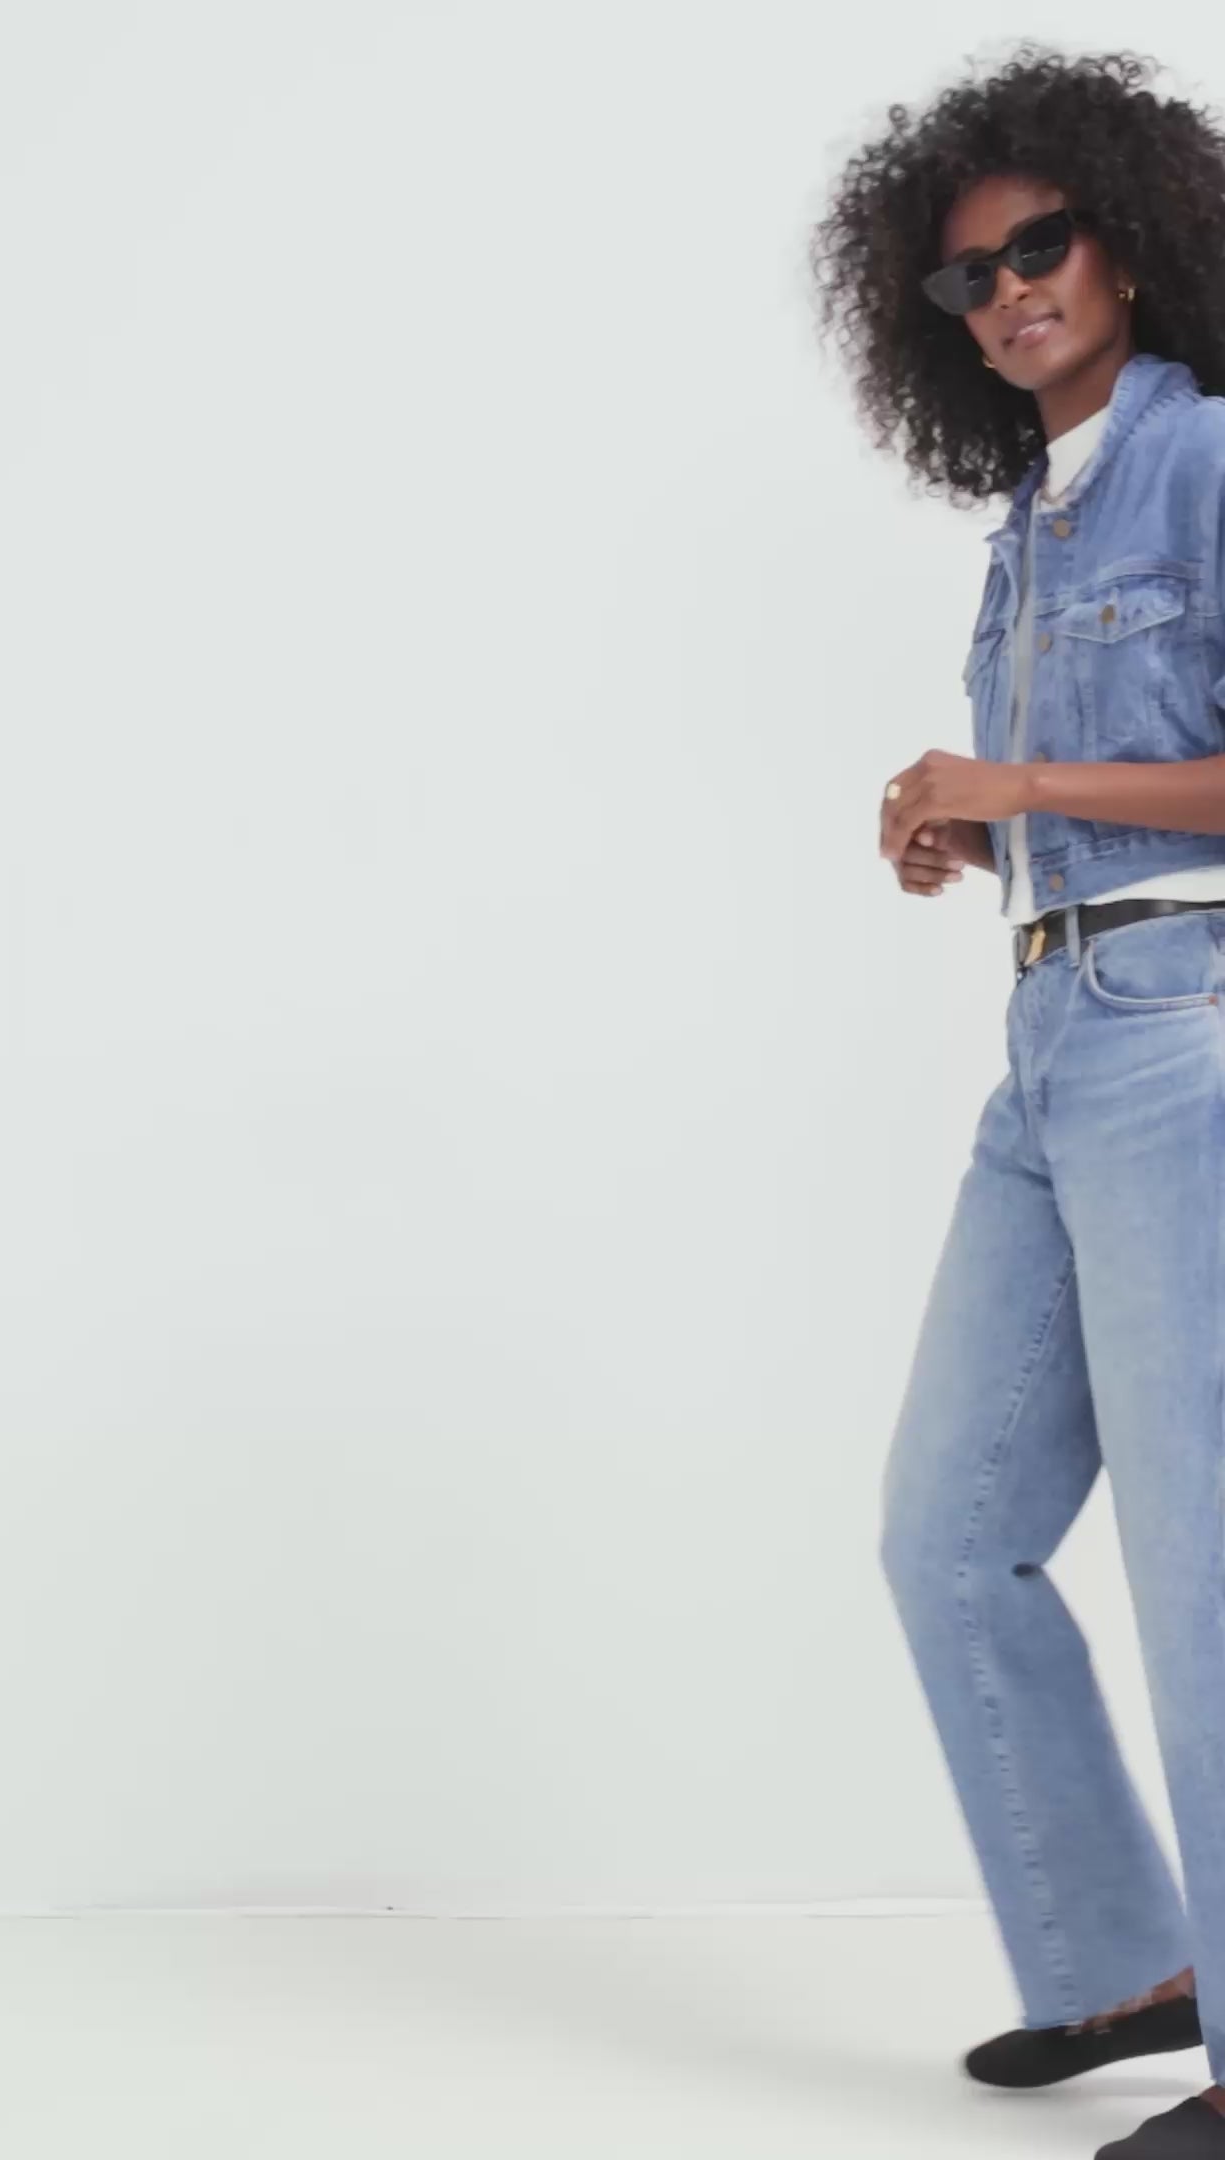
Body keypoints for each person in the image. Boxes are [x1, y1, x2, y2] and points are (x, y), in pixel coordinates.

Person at [811, 46, 1225, 2160]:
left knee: (1203, 1551)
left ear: (1133, 248)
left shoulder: (1213, 461)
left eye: (1040, 246)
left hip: (1192, 1038)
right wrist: (965, 834)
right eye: (967, 279)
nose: (1009, 293)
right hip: (1055, 1031)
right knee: (949, 1534)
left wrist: (1027, 785)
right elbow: (1085, 795)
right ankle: (1123, 1963)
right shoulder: (1026, 527)